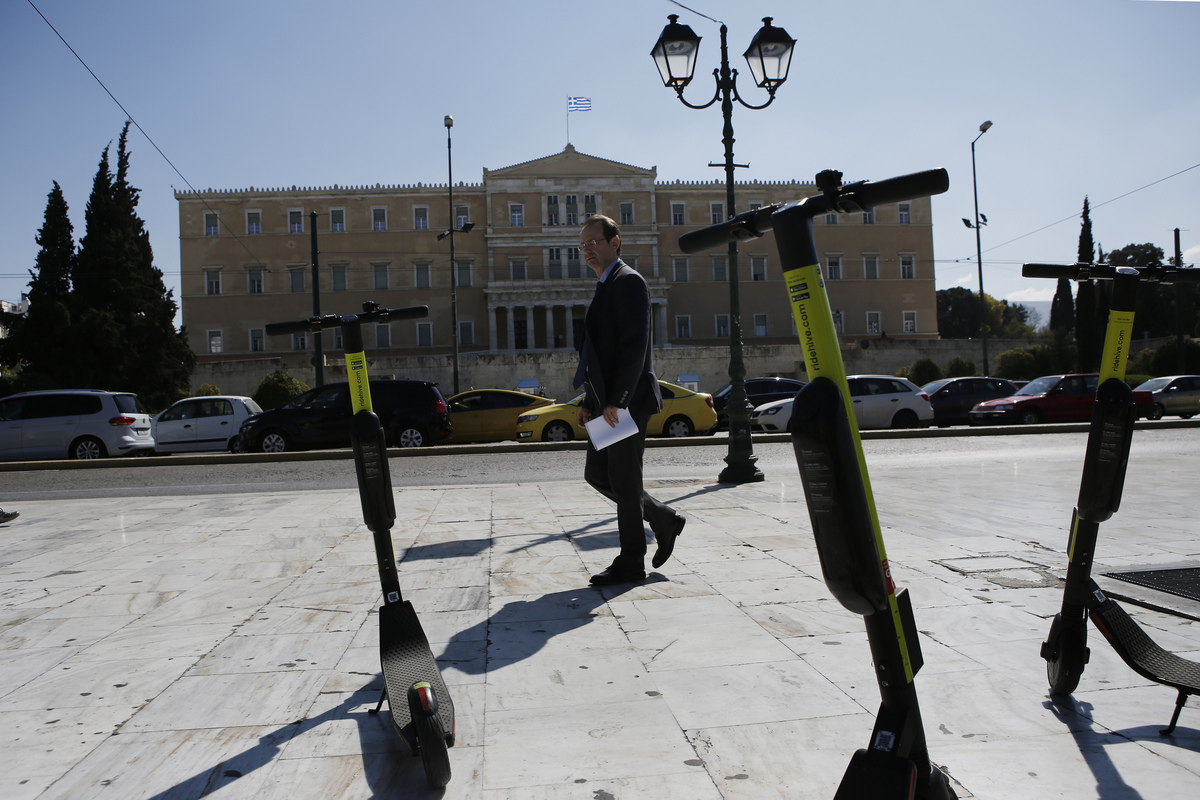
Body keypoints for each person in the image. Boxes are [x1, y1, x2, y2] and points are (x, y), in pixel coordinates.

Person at [574, 215, 685, 586]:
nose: (588, 250)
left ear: (615, 242)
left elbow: (634, 348)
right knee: (597, 474)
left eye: (595, 242)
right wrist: (589, 402)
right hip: (606, 403)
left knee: (623, 481)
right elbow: (599, 354)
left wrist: (618, 400)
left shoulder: (629, 281)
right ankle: (663, 517)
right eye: (583, 245)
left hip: (627, 402)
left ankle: (631, 561)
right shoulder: (606, 284)